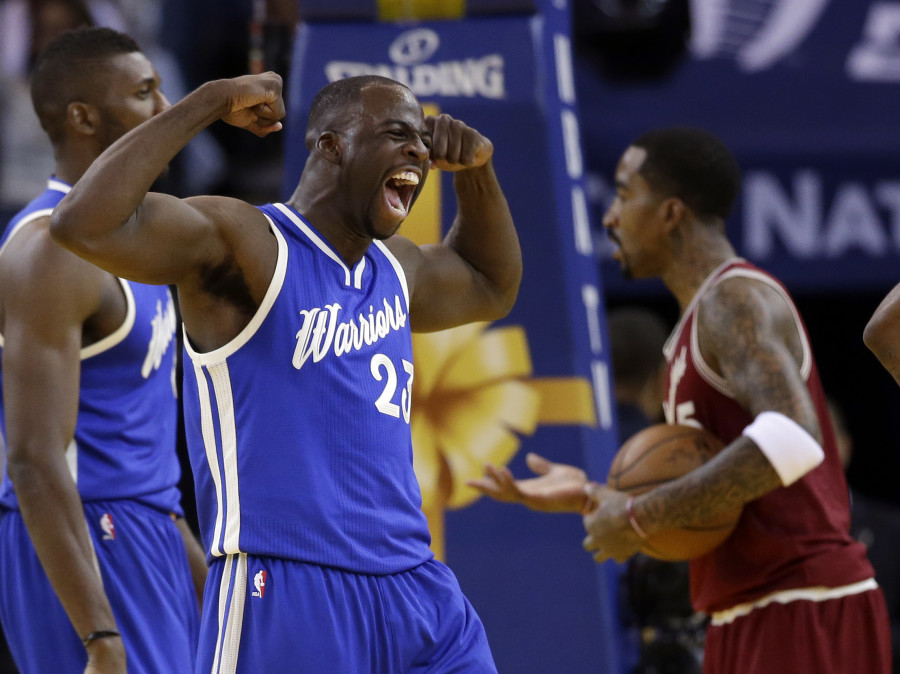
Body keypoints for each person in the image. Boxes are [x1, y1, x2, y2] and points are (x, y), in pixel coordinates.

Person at [49, 71, 521, 672]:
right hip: (288, 582)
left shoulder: (395, 269)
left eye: (421, 142)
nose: (417, 152)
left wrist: (478, 173)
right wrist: (210, 101)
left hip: (416, 588)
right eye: (396, 134)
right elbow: (83, 222)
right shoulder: (247, 242)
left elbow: (490, 285)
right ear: (330, 145)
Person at [470, 127, 892, 673]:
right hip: (745, 606)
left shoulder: (735, 298)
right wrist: (598, 496)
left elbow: (796, 437)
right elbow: (718, 485)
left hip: (803, 603)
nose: (610, 217)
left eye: (624, 194)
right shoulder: (692, 328)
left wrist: (640, 514)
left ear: (670, 213)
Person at [0, 27, 205, 674]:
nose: (164, 109)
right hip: (86, 536)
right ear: (83, 118)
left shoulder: (141, 242)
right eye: (144, 92)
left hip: (147, 529)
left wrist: (202, 579)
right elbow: (32, 459)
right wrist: (100, 635)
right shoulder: (50, 251)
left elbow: (137, 451)